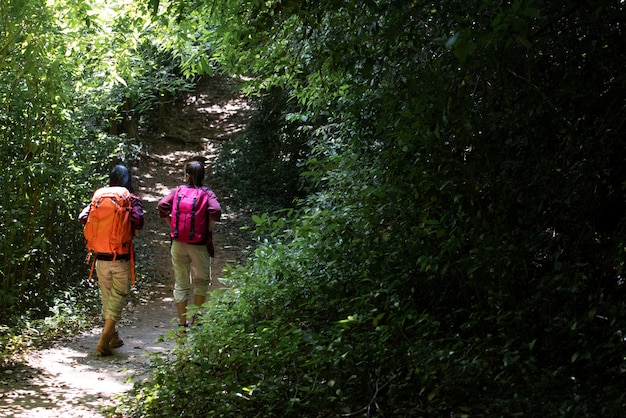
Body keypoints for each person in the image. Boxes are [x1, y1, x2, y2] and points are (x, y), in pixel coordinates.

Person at [79, 165, 144, 356]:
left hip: (100, 258)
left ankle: (113, 337)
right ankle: (104, 340)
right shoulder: (130, 199)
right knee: (118, 297)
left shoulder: (100, 198)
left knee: (106, 297)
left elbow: (83, 217)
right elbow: (139, 221)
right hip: (121, 257)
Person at [157, 160, 221, 329]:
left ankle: (181, 323)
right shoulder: (207, 193)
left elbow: (162, 205)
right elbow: (215, 211)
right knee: (201, 281)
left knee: (181, 282)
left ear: (186, 174)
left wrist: (172, 224)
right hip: (199, 244)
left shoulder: (178, 190)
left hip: (178, 242)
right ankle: (197, 320)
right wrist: (208, 228)